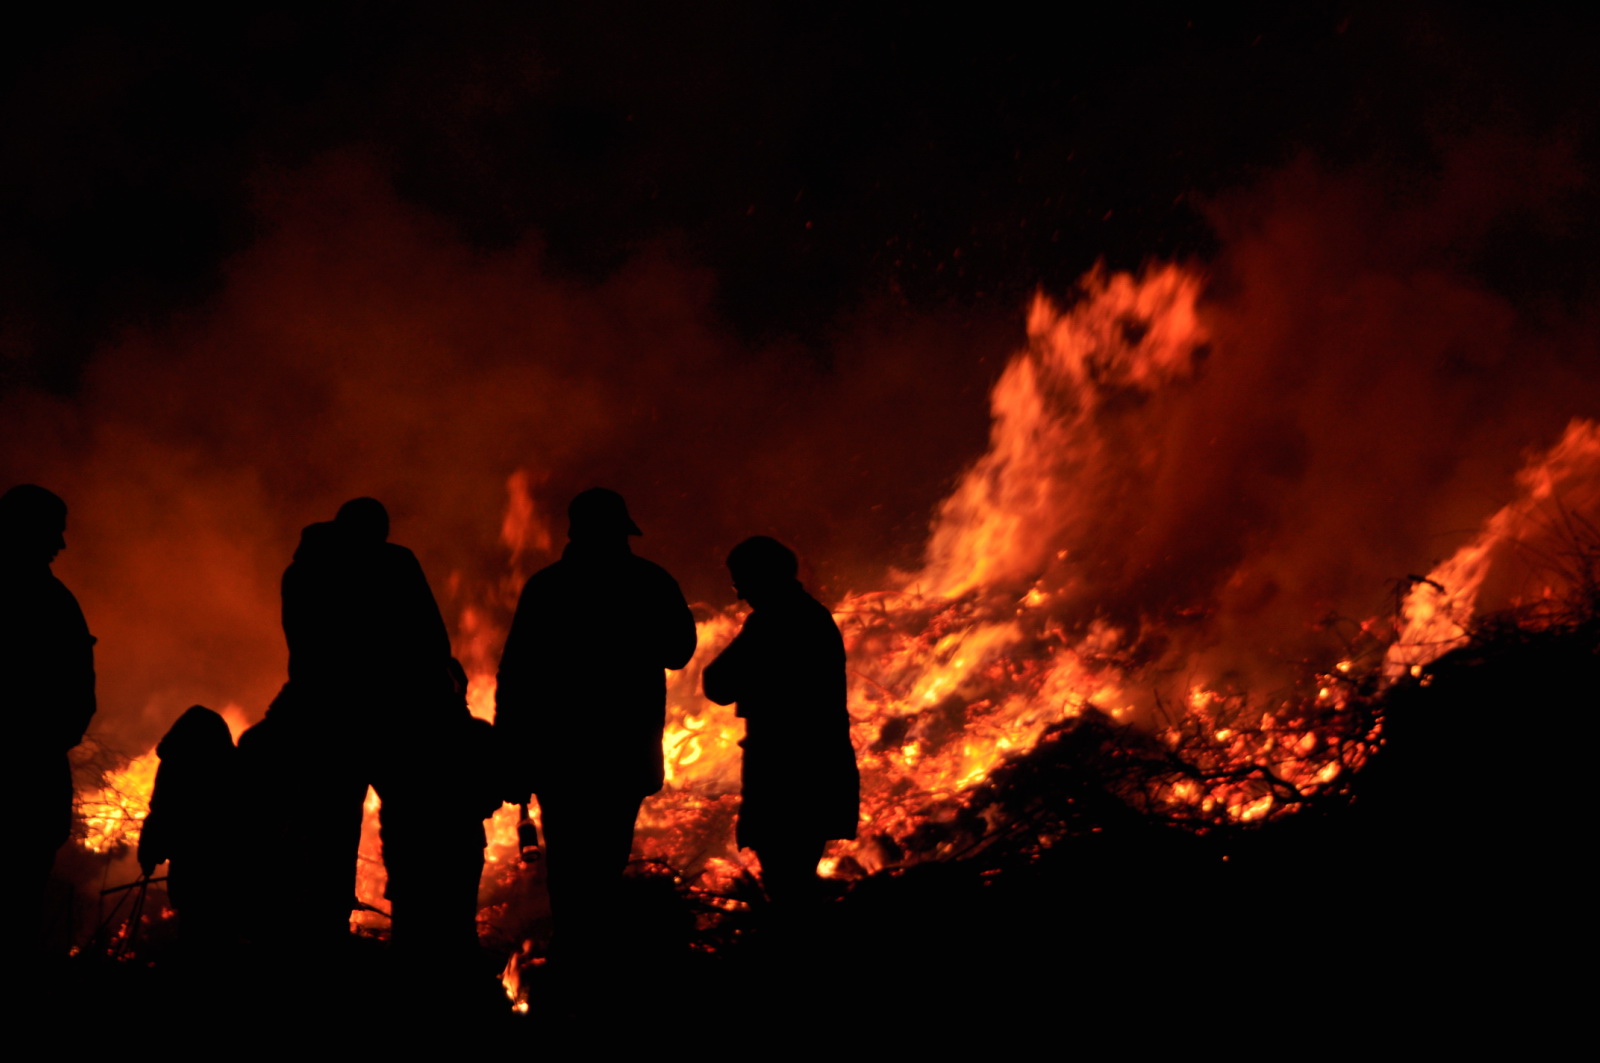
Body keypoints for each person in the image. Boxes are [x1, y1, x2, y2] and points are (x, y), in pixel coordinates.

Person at [495, 488, 697, 967]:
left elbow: (516, 675)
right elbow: (678, 651)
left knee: (568, 864)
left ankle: (575, 962)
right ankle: (595, 966)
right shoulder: (650, 582)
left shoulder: (547, 587)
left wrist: (511, 753)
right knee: (605, 863)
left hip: (560, 757)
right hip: (623, 753)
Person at [276, 497, 463, 945]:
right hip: (393, 720)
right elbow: (431, 638)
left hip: (326, 720)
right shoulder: (395, 563)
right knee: (409, 831)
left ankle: (323, 940)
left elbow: (305, 650)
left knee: (327, 836)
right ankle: (417, 939)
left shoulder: (304, 571)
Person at [702, 536, 858, 906]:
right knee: (797, 872)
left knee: (786, 881)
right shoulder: (812, 616)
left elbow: (718, 683)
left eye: (741, 582)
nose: (740, 594)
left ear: (762, 577)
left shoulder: (773, 622)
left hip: (783, 770)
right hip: (819, 765)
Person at [2, 485, 97, 915]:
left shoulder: (54, 599)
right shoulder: (50, 602)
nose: (61, 543)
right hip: (28, 784)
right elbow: (74, 693)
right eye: (53, 531)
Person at [138, 705, 238, 954]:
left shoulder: (175, 764)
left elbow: (161, 812)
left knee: (193, 937)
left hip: (189, 869)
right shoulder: (233, 767)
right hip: (227, 872)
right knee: (222, 940)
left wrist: (149, 855)